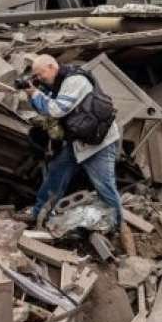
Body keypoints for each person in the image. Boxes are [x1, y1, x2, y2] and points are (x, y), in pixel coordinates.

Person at [16, 54, 122, 231]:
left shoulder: (75, 80)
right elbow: (46, 109)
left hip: (99, 144)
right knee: (56, 173)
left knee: (105, 186)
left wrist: (35, 93)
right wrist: (32, 93)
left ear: (51, 66)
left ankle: (118, 225)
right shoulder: (56, 82)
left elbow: (56, 110)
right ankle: (39, 213)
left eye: (40, 74)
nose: (39, 78)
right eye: (36, 76)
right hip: (78, 142)